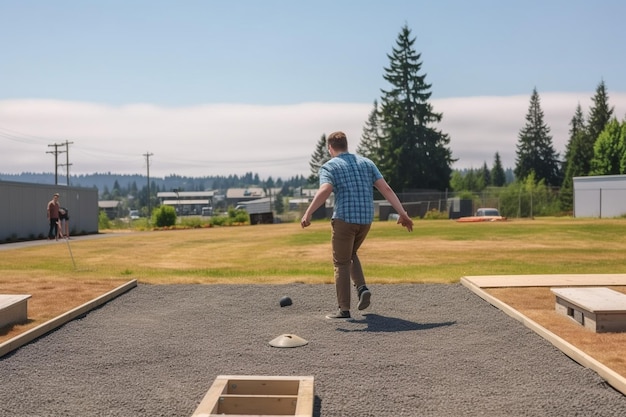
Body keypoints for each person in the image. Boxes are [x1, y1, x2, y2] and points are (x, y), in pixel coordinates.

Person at [301, 131, 414, 319]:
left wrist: (308, 212)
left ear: (330, 148)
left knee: (341, 263)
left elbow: (325, 189)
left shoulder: (330, 167)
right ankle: (362, 289)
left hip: (344, 219)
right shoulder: (367, 163)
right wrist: (402, 213)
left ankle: (343, 309)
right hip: (365, 221)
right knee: (351, 254)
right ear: (346, 145)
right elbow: (385, 188)